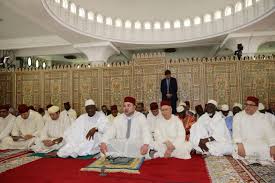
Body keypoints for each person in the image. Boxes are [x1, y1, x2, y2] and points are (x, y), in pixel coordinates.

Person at [233, 96, 275, 162]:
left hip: (261, 142)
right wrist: (239, 144)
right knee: (239, 149)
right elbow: (236, 131)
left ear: (256, 107)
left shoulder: (263, 117)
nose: (247, 107)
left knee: (267, 148)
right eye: (246, 104)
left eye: (250, 105)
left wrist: (272, 146)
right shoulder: (238, 116)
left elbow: (270, 132)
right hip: (244, 142)